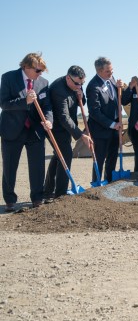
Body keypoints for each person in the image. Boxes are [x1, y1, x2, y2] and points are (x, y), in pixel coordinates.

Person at [1, 52, 53, 211]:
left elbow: (47, 106)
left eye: (42, 71)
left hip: (35, 130)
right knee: (10, 166)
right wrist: (26, 101)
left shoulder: (43, 83)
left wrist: (49, 119)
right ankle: (10, 200)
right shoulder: (8, 78)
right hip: (12, 130)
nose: (40, 74)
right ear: (26, 67)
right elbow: (4, 103)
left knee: (37, 166)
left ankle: (37, 198)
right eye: (38, 71)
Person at [44, 65, 93, 199]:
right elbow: (63, 117)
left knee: (58, 155)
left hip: (67, 126)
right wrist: (81, 135)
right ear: (68, 78)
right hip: (56, 127)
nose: (79, 86)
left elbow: (82, 102)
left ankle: (47, 190)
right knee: (66, 154)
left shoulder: (77, 83)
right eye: (77, 84)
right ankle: (60, 193)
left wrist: (81, 96)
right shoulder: (57, 89)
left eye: (82, 84)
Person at [85, 57, 124, 183]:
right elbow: (95, 112)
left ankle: (109, 182)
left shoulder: (111, 79)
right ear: (99, 71)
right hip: (100, 130)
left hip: (115, 129)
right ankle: (96, 184)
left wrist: (120, 88)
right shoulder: (93, 86)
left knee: (112, 158)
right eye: (108, 71)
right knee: (99, 159)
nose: (111, 73)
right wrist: (112, 124)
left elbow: (117, 99)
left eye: (112, 70)